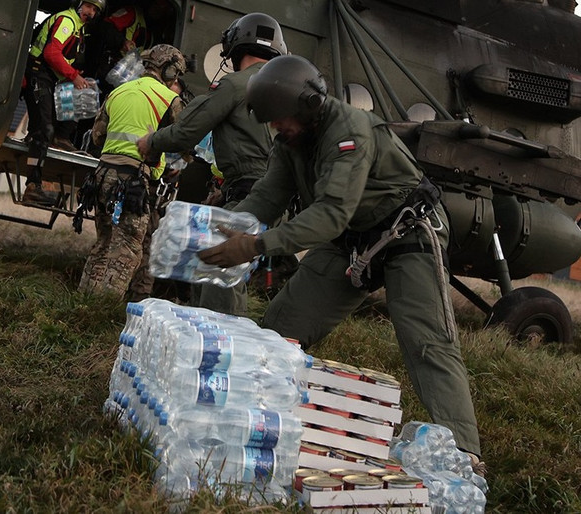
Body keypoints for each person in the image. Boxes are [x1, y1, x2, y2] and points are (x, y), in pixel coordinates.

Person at [197, 54, 483, 467]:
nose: (277, 129)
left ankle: (463, 454)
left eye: (281, 119)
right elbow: (268, 196)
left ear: (308, 106)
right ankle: (261, 417)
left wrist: (255, 246)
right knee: (279, 332)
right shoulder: (292, 142)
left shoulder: (350, 131)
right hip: (350, 240)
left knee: (426, 342)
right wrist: (230, 224)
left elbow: (331, 212)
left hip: (407, 231)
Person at [135, 12, 287, 316]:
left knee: (218, 262)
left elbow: (185, 133)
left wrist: (150, 142)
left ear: (235, 49)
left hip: (251, 192)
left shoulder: (235, 85)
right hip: (273, 194)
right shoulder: (283, 87)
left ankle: (219, 340)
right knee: (221, 263)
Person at [79, 44, 187, 298]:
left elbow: (96, 137)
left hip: (102, 176)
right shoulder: (170, 99)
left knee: (103, 243)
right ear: (169, 71)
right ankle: (102, 309)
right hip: (133, 182)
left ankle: (83, 301)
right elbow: (185, 140)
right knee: (127, 249)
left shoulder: (118, 91)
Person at [22, 0, 106, 205]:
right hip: (39, 74)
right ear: (78, 4)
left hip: (52, 77)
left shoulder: (78, 26)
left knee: (85, 91)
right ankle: (33, 186)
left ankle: (62, 138)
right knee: (42, 130)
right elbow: (51, 53)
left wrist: (77, 78)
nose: (91, 13)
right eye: (88, 6)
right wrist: (73, 76)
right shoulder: (67, 22)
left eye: (95, 10)